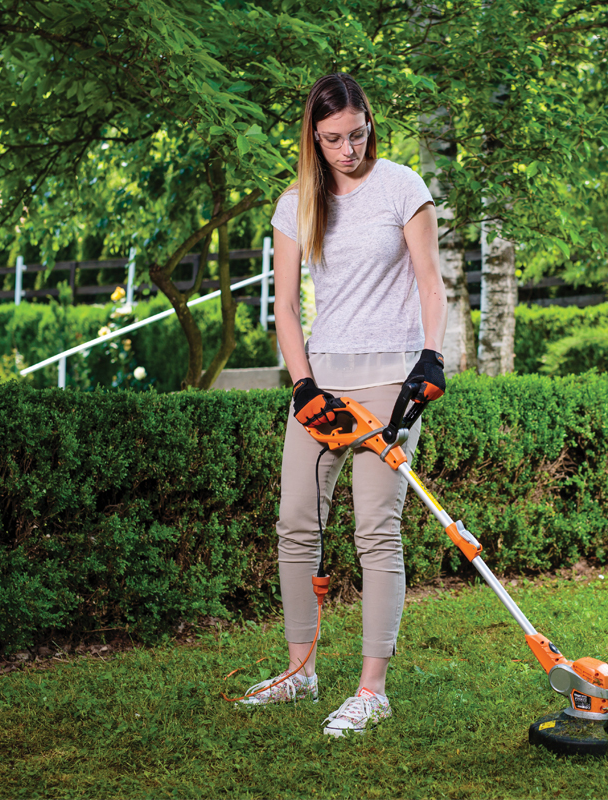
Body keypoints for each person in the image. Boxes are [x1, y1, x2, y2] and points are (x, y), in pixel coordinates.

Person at [239, 73, 448, 738]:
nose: (347, 149)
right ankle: (300, 671)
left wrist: (431, 358)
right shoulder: (296, 204)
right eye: (332, 139)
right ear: (314, 137)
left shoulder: (402, 187)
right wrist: (302, 385)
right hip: (321, 382)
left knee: (375, 529)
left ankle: (371, 689)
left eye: (356, 134)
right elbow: (286, 308)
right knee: (297, 522)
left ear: (369, 124)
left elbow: (430, 283)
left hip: (390, 379)